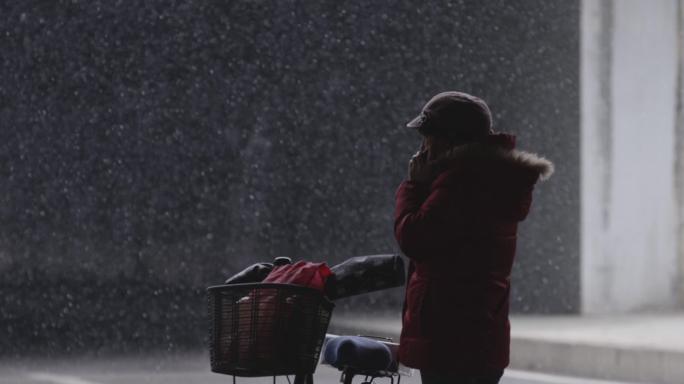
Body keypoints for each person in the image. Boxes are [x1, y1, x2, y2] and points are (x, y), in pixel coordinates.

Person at [394, 91, 554, 384]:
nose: (422, 148)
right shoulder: (489, 177)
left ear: (447, 140)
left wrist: (413, 187)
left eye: (427, 137)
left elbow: (414, 237)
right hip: (477, 338)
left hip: (451, 340)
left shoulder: (462, 182)